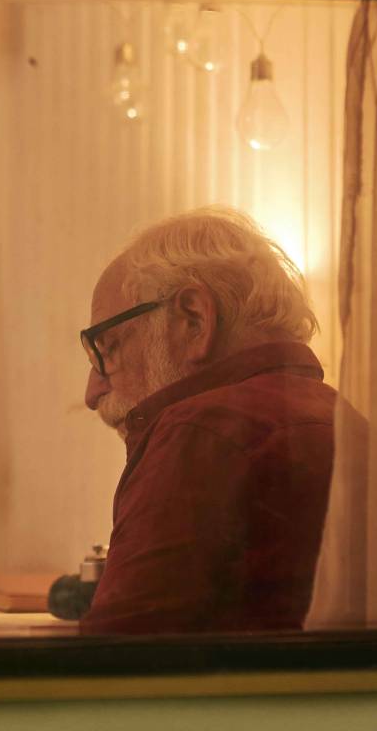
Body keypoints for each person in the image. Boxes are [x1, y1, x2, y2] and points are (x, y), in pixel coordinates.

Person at [78, 206, 336, 635]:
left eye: (108, 348)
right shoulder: (347, 419)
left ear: (194, 319)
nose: (91, 394)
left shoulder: (202, 432)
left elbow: (116, 666)